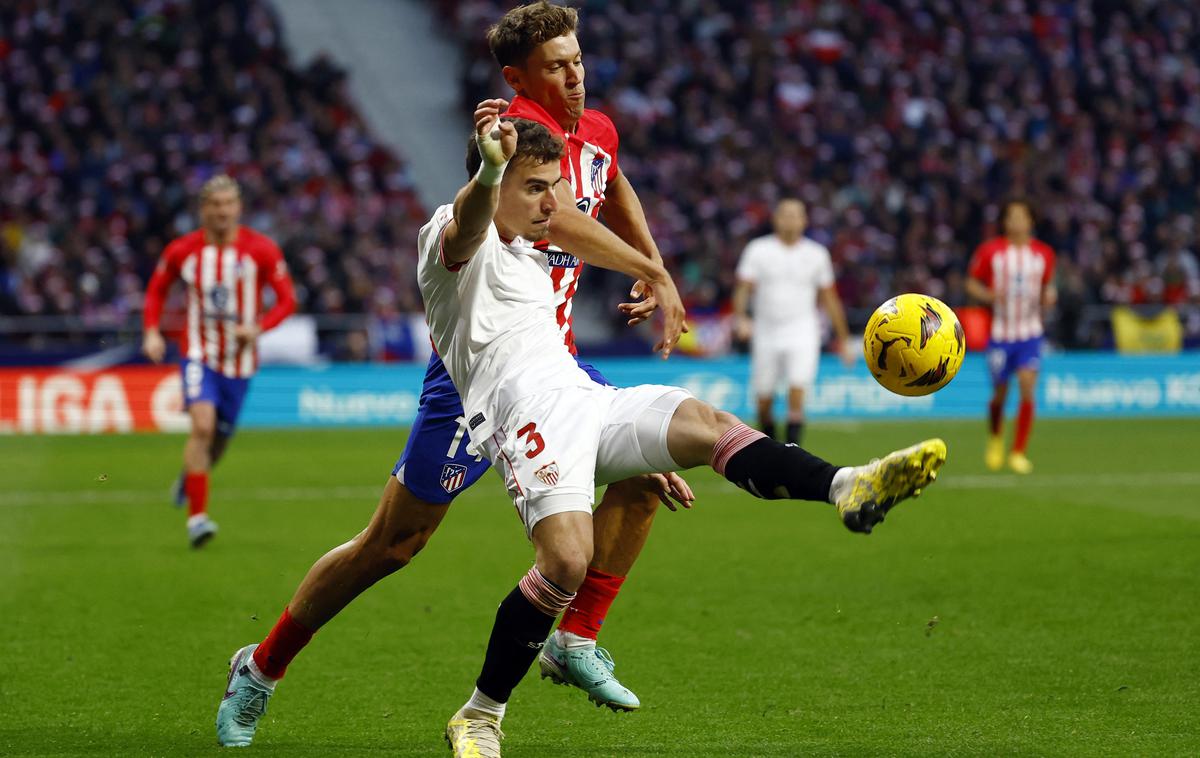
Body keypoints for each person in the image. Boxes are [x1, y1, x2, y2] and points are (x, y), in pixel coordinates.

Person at [215, 3, 694, 747]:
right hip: (481, 376)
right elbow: (558, 218)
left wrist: (651, 258)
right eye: (557, 66)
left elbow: (613, 181)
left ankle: (575, 640)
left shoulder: (594, 128)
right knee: (392, 545)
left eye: (578, 59)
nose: (575, 76)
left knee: (650, 469)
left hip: (557, 361)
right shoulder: (513, 133)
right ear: (517, 77)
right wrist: (650, 271)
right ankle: (262, 666)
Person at [436, 114, 946, 757]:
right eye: (537, 188)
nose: (552, 203)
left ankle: (848, 485)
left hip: (584, 398)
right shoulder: (452, 241)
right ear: (497, 182)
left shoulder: (535, 266)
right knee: (565, 559)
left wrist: (622, 442)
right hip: (522, 418)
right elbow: (469, 219)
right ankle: (481, 715)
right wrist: (487, 169)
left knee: (710, 425)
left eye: (555, 187)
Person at [142, 175, 296, 548]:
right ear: (203, 210)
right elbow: (157, 289)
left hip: (240, 363)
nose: (222, 211)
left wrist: (258, 328)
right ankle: (197, 519)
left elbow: (287, 300)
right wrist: (151, 331)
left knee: (218, 442)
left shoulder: (261, 250)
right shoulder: (183, 250)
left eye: (228, 204)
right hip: (199, 353)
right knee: (202, 427)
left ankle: (188, 478)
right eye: (214, 205)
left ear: (238, 208)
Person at [732, 199, 853, 446]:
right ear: (775, 219)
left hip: (802, 332)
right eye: (785, 214)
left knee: (797, 393)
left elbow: (830, 298)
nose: (790, 219)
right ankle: (772, 448)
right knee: (763, 401)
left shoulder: (817, 254)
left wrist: (843, 339)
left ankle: (792, 452)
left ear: (804, 220)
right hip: (765, 331)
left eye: (795, 215)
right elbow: (742, 289)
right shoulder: (758, 250)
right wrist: (741, 318)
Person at [966, 199, 1056, 474]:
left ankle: (1018, 452)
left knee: (1028, 388)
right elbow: (971, 283)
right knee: (1000, 393)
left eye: (1022, 216)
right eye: (1012, 217)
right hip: (1000, 333)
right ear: (1005, 222)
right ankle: (995, 439)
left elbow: (1047, 287)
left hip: (1029, 332)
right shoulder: (991, 252)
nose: (1017, 222)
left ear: (1031, 221)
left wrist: (1050, 297)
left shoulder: (1043, 254)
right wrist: (987, 295)